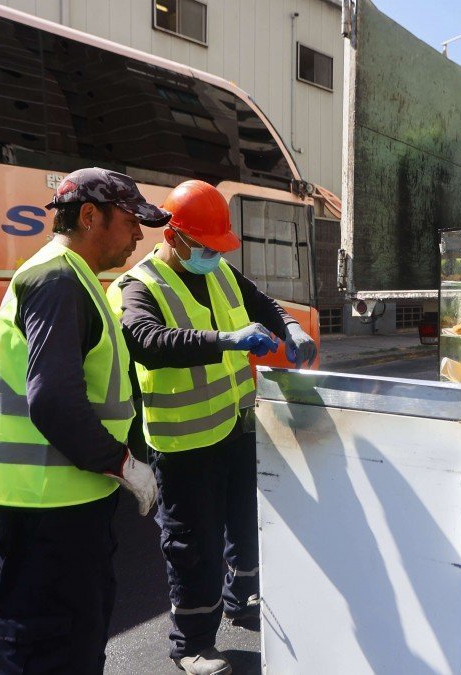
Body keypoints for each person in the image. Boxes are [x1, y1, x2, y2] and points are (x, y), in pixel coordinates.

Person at [108, 180, 317, 675]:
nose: (214, 256)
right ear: (174, 237)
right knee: (193, 546)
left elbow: (261, 301)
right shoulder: (139, 285)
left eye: (218, 247)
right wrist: (227, 339)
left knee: (245, 522)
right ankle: (192, 643)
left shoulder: (218, 268)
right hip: (183, 443)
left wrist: (290, 327)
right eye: (206, 247)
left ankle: (244, 598)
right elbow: (148, 341)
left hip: (235, 427)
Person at [0, 168, 166, 673]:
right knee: (44, 649)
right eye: (130, 221)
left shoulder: (73, 277)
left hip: (63, 504)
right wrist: (123, 464)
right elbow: (54, 402)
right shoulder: (59, 280)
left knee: (73, 642)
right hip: (46, 509)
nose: (139, 235)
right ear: (89, 216)